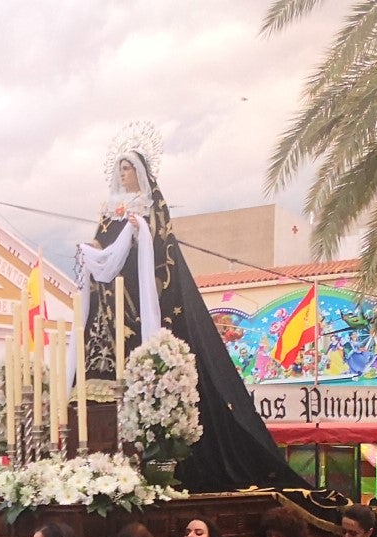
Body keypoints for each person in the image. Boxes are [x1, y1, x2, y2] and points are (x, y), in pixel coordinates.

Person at [68, 127, 303, 491]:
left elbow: (162, 252)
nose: (123, 174)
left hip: (137, 290)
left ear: (142, 173)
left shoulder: (149, 208)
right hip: (109, 297)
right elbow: (100, 244)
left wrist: (139, 233)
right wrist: (90, 248)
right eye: (120, 169)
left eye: (129, 168)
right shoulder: (108, 211)